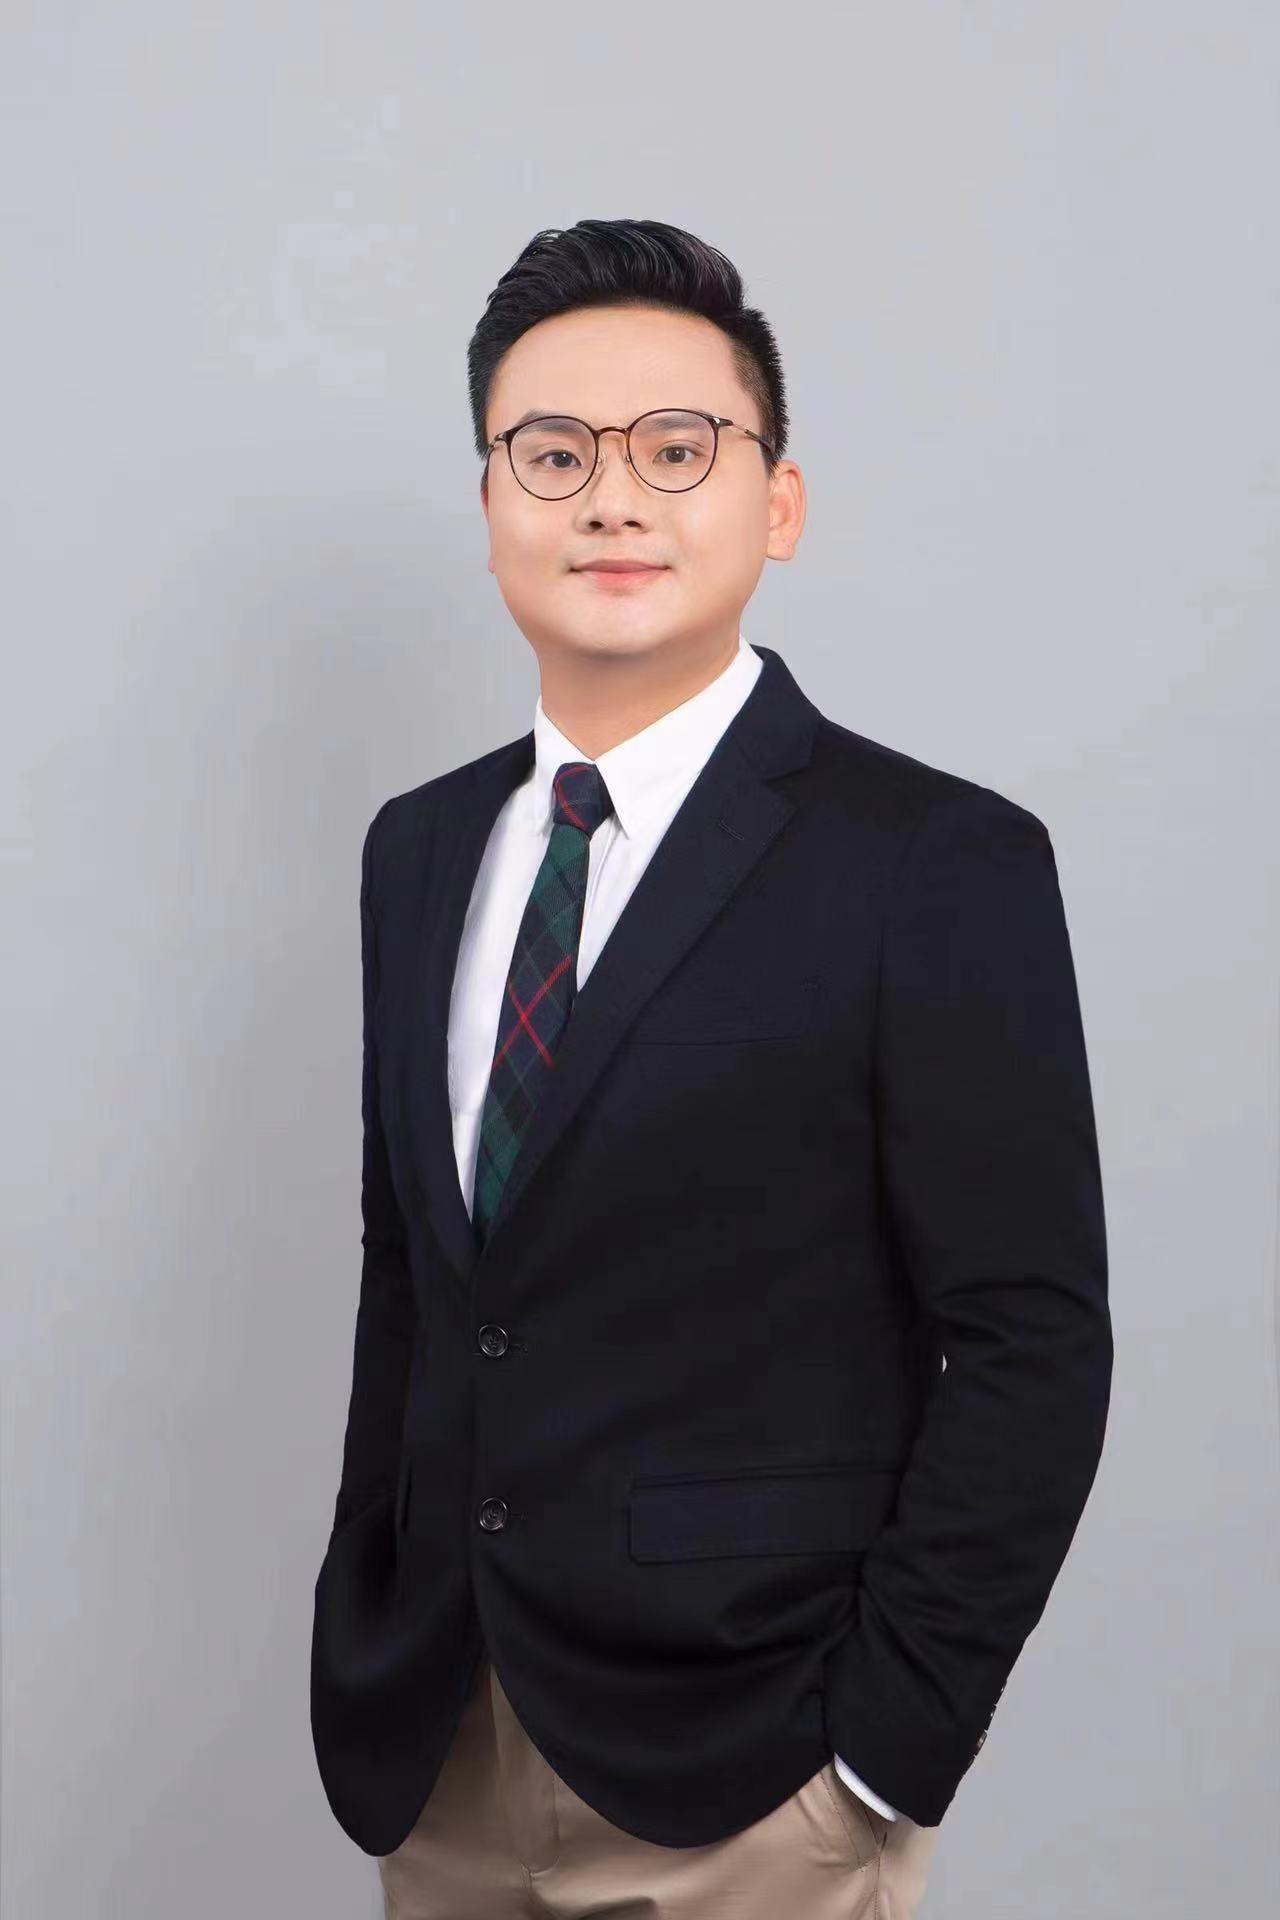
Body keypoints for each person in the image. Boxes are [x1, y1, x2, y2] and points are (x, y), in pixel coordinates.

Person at [309, 218, 1112, 1919]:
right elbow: (417, 1278)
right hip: (439, 1745)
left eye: (678, 450)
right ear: (490, 507)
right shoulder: (420, 848)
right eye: (554, 454)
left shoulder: (930, 861)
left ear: (779, 502)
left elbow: (1031, 1338)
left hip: (754, 1773)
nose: (614, 500)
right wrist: (370, 1610)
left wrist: (882, 1754)